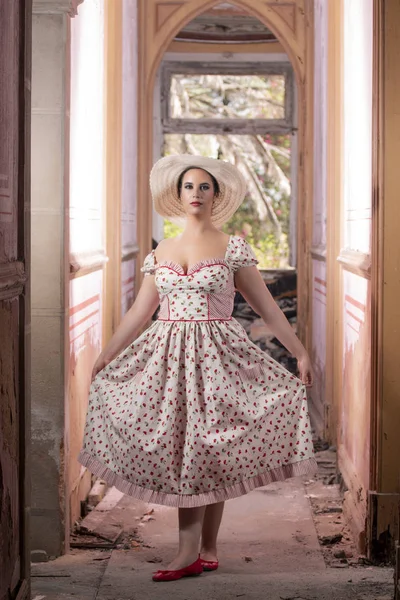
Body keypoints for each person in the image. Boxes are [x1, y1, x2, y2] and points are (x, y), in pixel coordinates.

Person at [78, 155, 317, 583]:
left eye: (204, 187)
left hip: (217, 357)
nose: (196, 194)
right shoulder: (163, 250)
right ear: (178, 194)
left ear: (216, 196)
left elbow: (268, 310)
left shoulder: (232, 248)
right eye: (189, 186)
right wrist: (107, 354)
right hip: (165, 358)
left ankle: (195, 550)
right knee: (185, 446)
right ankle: (201, 548)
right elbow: (139, 312)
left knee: (207, 449)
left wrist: (300, 352)